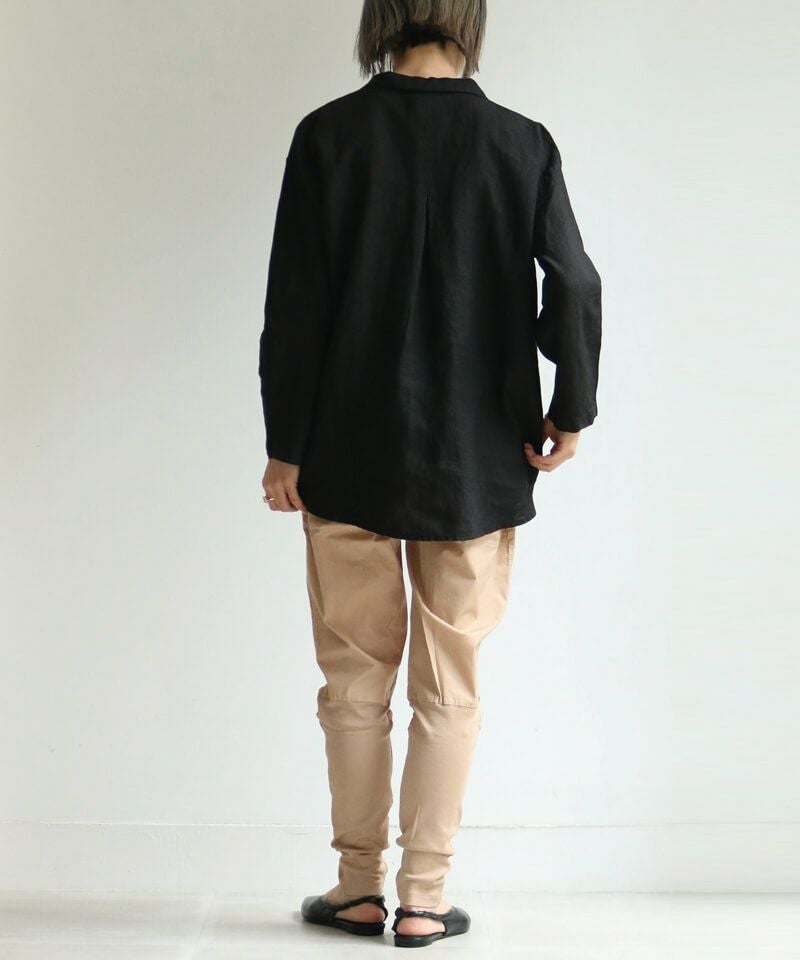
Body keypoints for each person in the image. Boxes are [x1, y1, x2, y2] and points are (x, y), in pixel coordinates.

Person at [258, 0, 601, 948]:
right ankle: (422, 898)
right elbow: (574, 282)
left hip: (346, 451)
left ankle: (356, 888)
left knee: (353, 683)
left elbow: (295, 304)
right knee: (451, 685)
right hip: (475, 460)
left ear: (384, 15)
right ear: (468, 19)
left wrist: (286, 444)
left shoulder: (328, 136)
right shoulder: (520, 143)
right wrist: (570, 406)